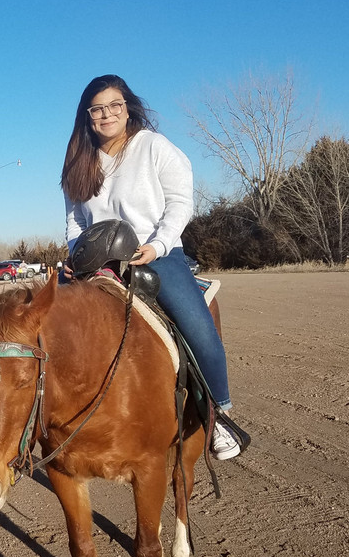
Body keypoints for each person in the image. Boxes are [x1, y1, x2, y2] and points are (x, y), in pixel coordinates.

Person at [61, 74, 245, 461]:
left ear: (128, 107)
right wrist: (75, 256)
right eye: (98, 108)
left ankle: (219, 416)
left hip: (155, 255)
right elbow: (76, 223)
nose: (107, 114)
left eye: (115, 105)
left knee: (198, 328)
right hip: (97, 265)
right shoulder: (80, 162)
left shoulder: (154, 147)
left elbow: (180, 202)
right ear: (87, 116)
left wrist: (158, 245)